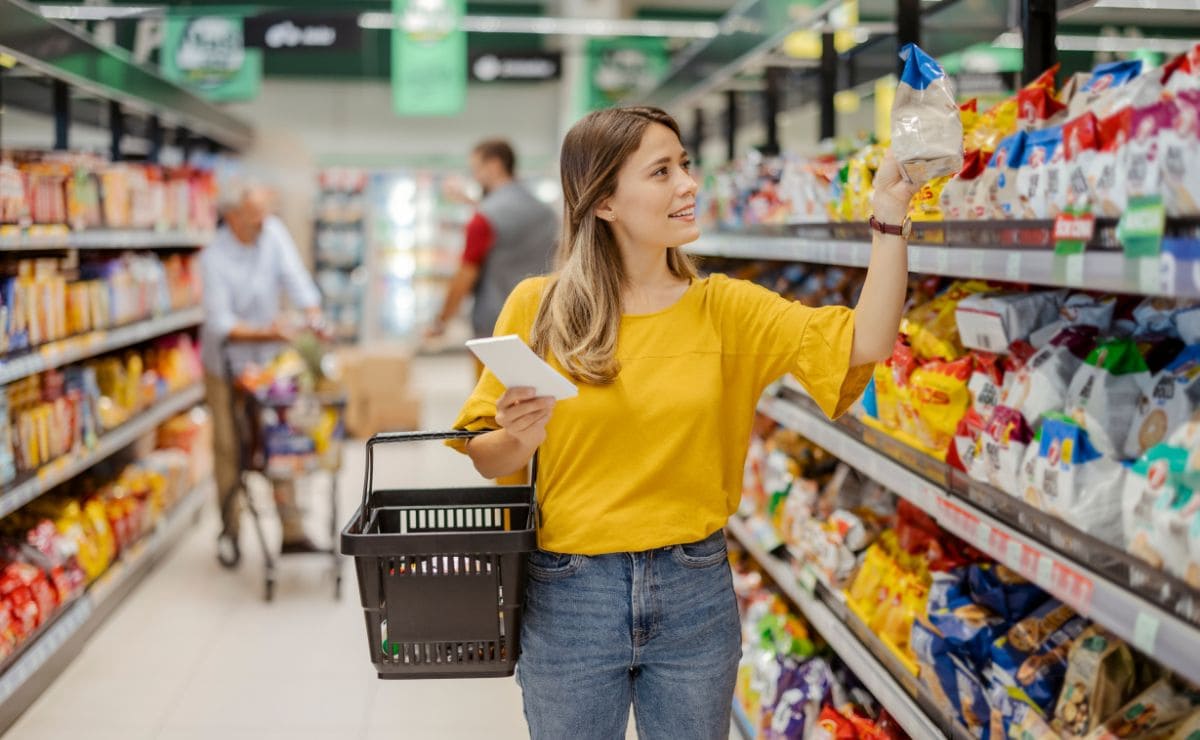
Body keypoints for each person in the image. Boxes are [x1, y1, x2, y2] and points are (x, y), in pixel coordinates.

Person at [448, 107, 917, 739]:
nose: (689, 184)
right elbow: (487, 456)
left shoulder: (725, 309)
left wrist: (890, 218)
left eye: (686, 165)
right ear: (606, 201)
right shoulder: (541, 307)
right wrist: (519, 436)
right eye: (662, 171)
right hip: (571, 593)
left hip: (694, 590)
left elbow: (867, 340)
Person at [201, 183, 326, 560]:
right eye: (254, 216)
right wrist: (270, 330)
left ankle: (292, 531)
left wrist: (313, 314)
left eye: (264, 214)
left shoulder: (271, 233)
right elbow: (222, 323)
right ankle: (230, 530)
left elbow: (296, 279)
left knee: (280, 440)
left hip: (268, 364)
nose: (263, 223)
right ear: (233, 217)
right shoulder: (214, 257)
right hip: (226, 365)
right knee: (229, 447)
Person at [426, 139, 558, 343]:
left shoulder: (483, 219)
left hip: (495, 327)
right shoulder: (546, 213)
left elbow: (465, 274)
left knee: (491, 377)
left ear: (494, 165)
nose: (475, 176)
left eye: (476, 169)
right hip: (543, 321)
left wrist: (441, 321)